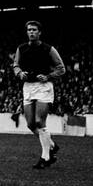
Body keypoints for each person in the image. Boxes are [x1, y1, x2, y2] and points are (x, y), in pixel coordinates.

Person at [12, 21, 65, 170]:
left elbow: (61, 68)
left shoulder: (49, 49)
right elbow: (16, 65)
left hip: (43, 87)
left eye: (34, 30)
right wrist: (19, 73)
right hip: (28, 87)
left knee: (39, 122)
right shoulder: (21, 49)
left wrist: (48, 76)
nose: (31, 32)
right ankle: (52, 146)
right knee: (30, 124)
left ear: (40, 32)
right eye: (29, 30)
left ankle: (45, 157)